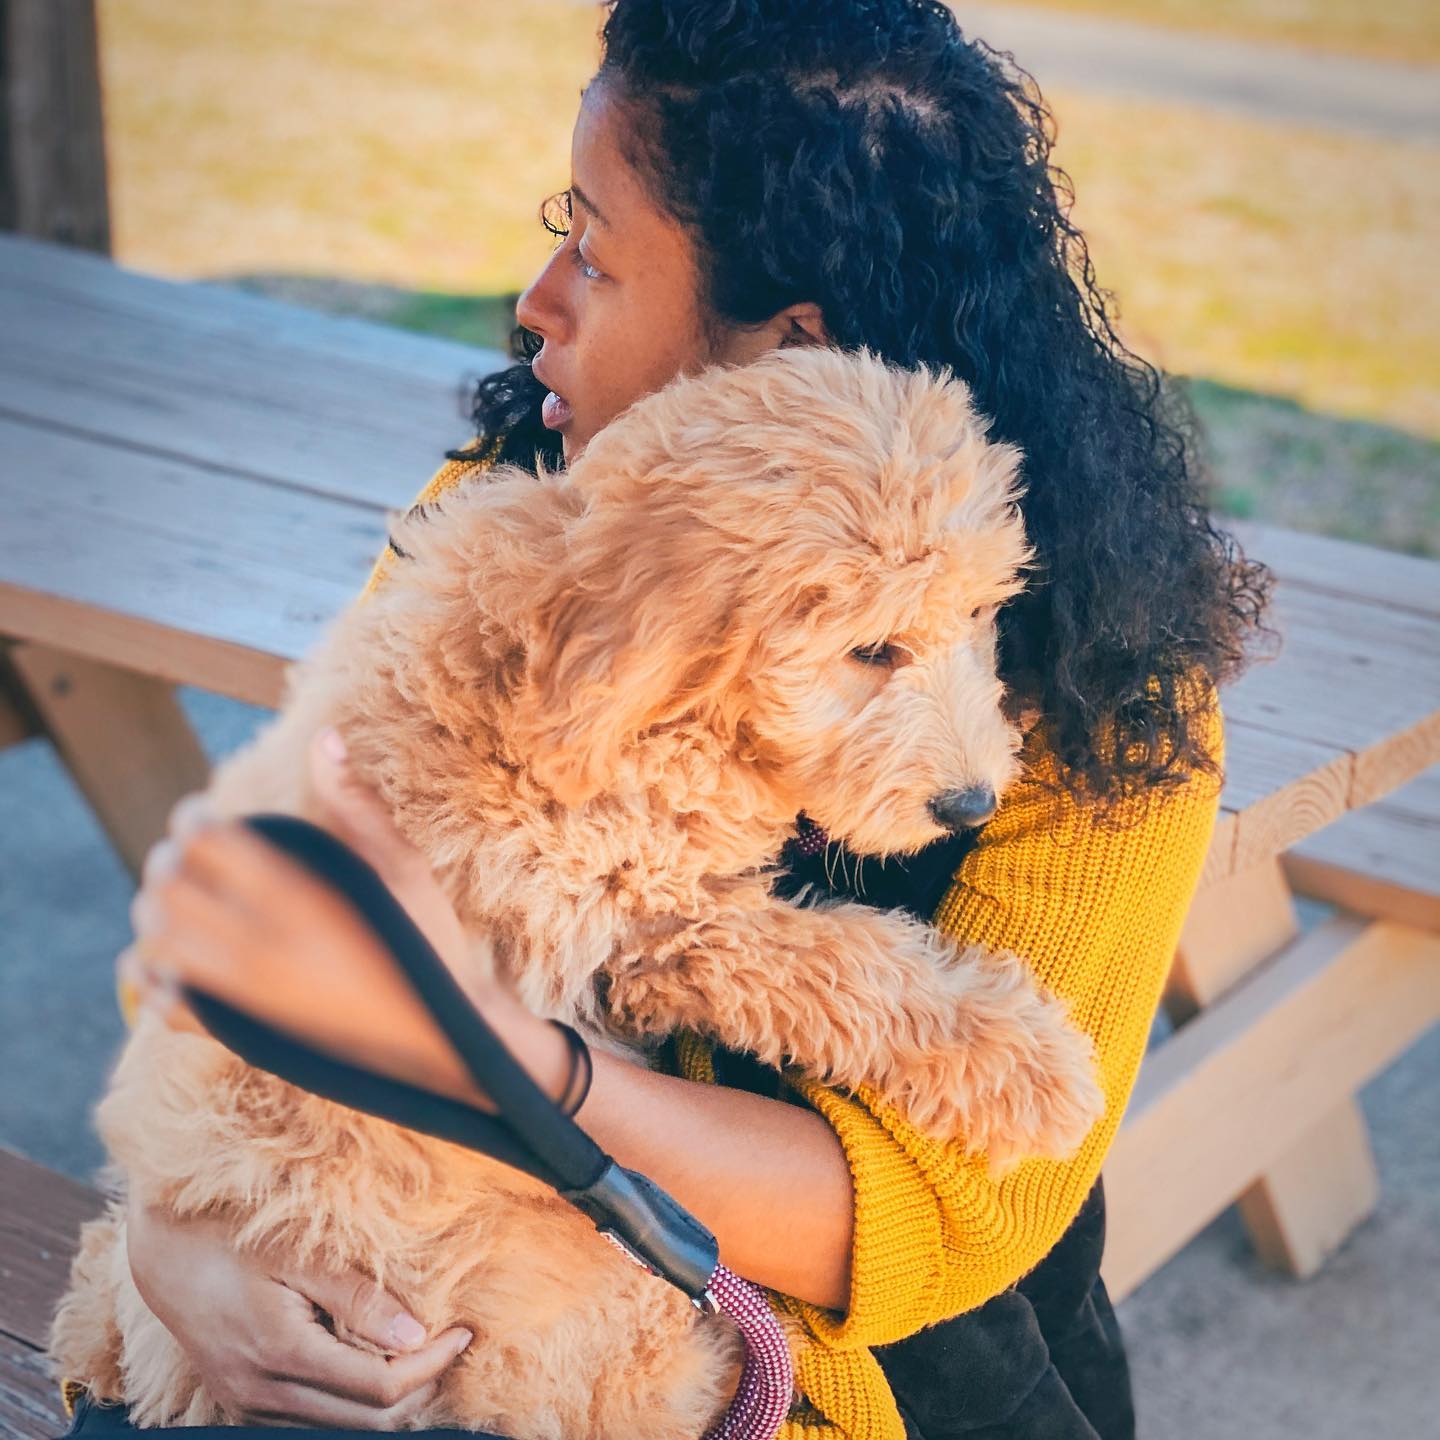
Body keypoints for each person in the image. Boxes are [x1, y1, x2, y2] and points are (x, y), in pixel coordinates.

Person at [120, 2, 1269, 1436]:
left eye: (598, 256)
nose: (537, 300)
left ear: (789, 348)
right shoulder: (509, 525)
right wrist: (175, 1242)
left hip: (845, 1391)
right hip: (405, 1281)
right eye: (561, 226)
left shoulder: (1109, 705)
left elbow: (943, 1219)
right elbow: (254, 899)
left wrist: (500, 1064)